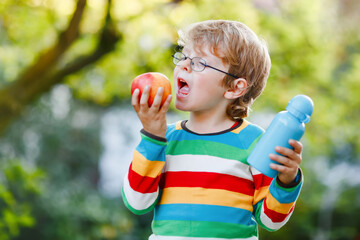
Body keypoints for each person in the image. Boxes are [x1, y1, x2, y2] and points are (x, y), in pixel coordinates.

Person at [122, 20, 304, 240]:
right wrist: (152, 137)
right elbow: (137, 202)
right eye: (184, 56)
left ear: (234, 87)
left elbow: (271, 220)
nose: (184, 66)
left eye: (199, 62)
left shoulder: (254, 142)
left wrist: (287, 182)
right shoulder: (163, 139)